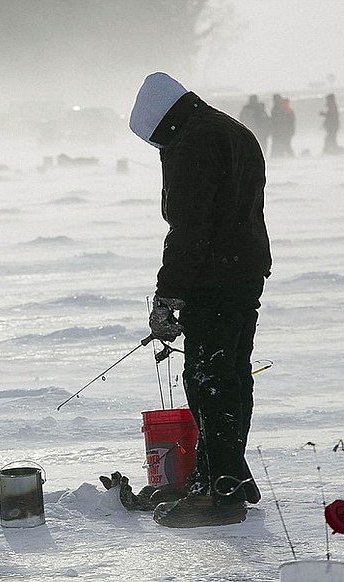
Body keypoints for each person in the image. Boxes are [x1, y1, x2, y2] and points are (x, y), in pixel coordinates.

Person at [128, 72, 272, 526]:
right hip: (244, 272)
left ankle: (221, 490)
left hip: (215, 279)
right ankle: (223, 474)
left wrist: (169, 294)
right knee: (231, 375)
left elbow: (189, 228)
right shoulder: (230, 128)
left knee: (209, 381)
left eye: (157, 142)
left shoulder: (192, 142)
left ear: (163, 122)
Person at [270, 94, 296, 158]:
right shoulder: (278, 108)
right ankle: (278, 156)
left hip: (283, 131)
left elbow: (290, 120)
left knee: (285, 144)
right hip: (279, 131)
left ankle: (287, 156)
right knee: (282, 144)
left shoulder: (282, 108)